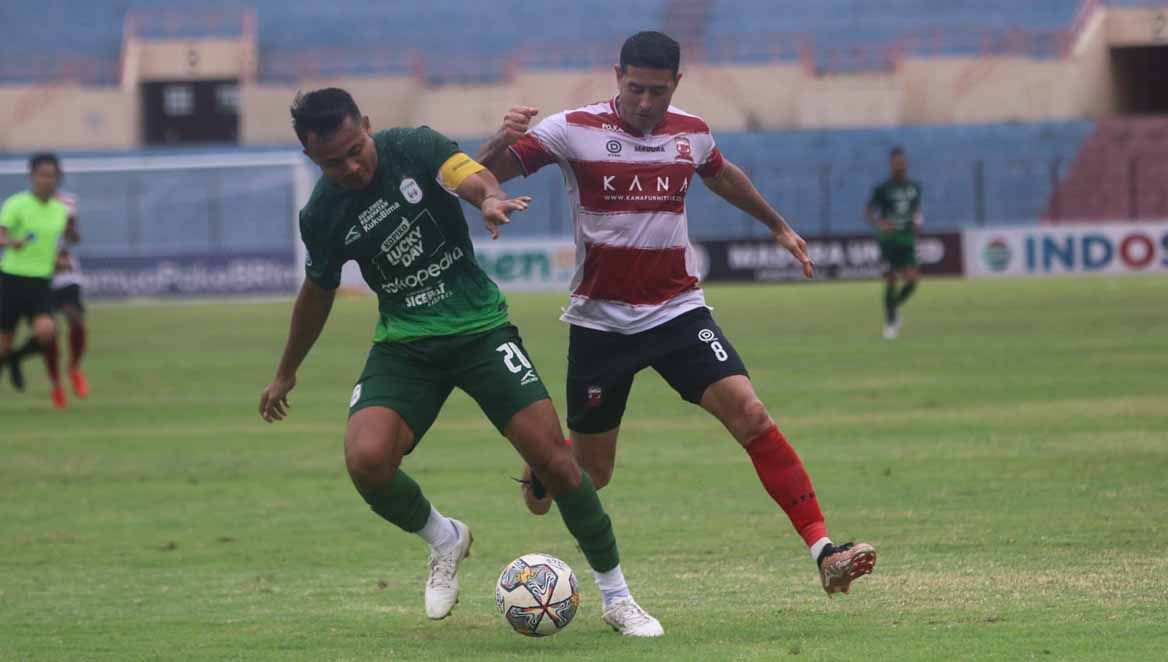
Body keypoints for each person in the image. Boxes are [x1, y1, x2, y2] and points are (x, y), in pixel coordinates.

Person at [476, 31, 876, 596]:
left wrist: (779, 227)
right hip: (601, 325)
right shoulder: (571, 129)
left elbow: (723, 174)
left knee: (752, 415)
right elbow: (479, 174)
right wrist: (497, 143)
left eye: (657, 92)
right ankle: (543, 470)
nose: (644, 102)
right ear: (617, 76)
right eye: (635, 88)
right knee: (592, 476)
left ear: (676, 85)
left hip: (677, 313)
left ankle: (824, 552)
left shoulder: (691, 132)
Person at [258, 88, 663, 636]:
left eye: (357, 149)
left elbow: (464, 172)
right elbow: (317, 292)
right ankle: (445, 539)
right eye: (334, 161)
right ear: (312, 158)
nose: (351, 166)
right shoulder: (322, 215)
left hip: (479, 330)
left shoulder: (412, 146)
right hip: (405, 346)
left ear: (369, 126)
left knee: (557, 462)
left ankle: (617, 597)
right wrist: (287, 370)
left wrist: (489, 198)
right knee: (366, 460)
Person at [0, 153, 69, 408]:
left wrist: (60, 261)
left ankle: (16, 358)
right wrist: (11, 242)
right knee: (2, 347)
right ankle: (9, 357)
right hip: (11, 279)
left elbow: (55, 246)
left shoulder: (60, 211)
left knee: (47, 332)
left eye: (52, 176)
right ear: (31, 177)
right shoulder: (16, 205)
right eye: (42, 175)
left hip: (40, 282)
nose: (47, 181)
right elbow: (1, 236)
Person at [8, 190, 89, 397]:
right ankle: (55, 383)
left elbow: (72, 236)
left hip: (64, 274)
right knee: (48, 333)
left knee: (75, 318)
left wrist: (68, 238)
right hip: (38, 277)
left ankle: (74, 368)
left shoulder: (66, 201)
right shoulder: (22, 206)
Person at [865, 147, 923, 339]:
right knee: (890, 279)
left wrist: (917, 220)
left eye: (902, 162)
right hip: (888, 241)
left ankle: (895, 306)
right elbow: (868, 211)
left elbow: (916, 209)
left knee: (913, 280)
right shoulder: (883, 189)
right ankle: (890, 324)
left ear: (906, 163)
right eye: (896, 162)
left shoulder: (914, 187)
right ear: (891, 164)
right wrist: (880, 223)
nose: (899, 165)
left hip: (906, 239)